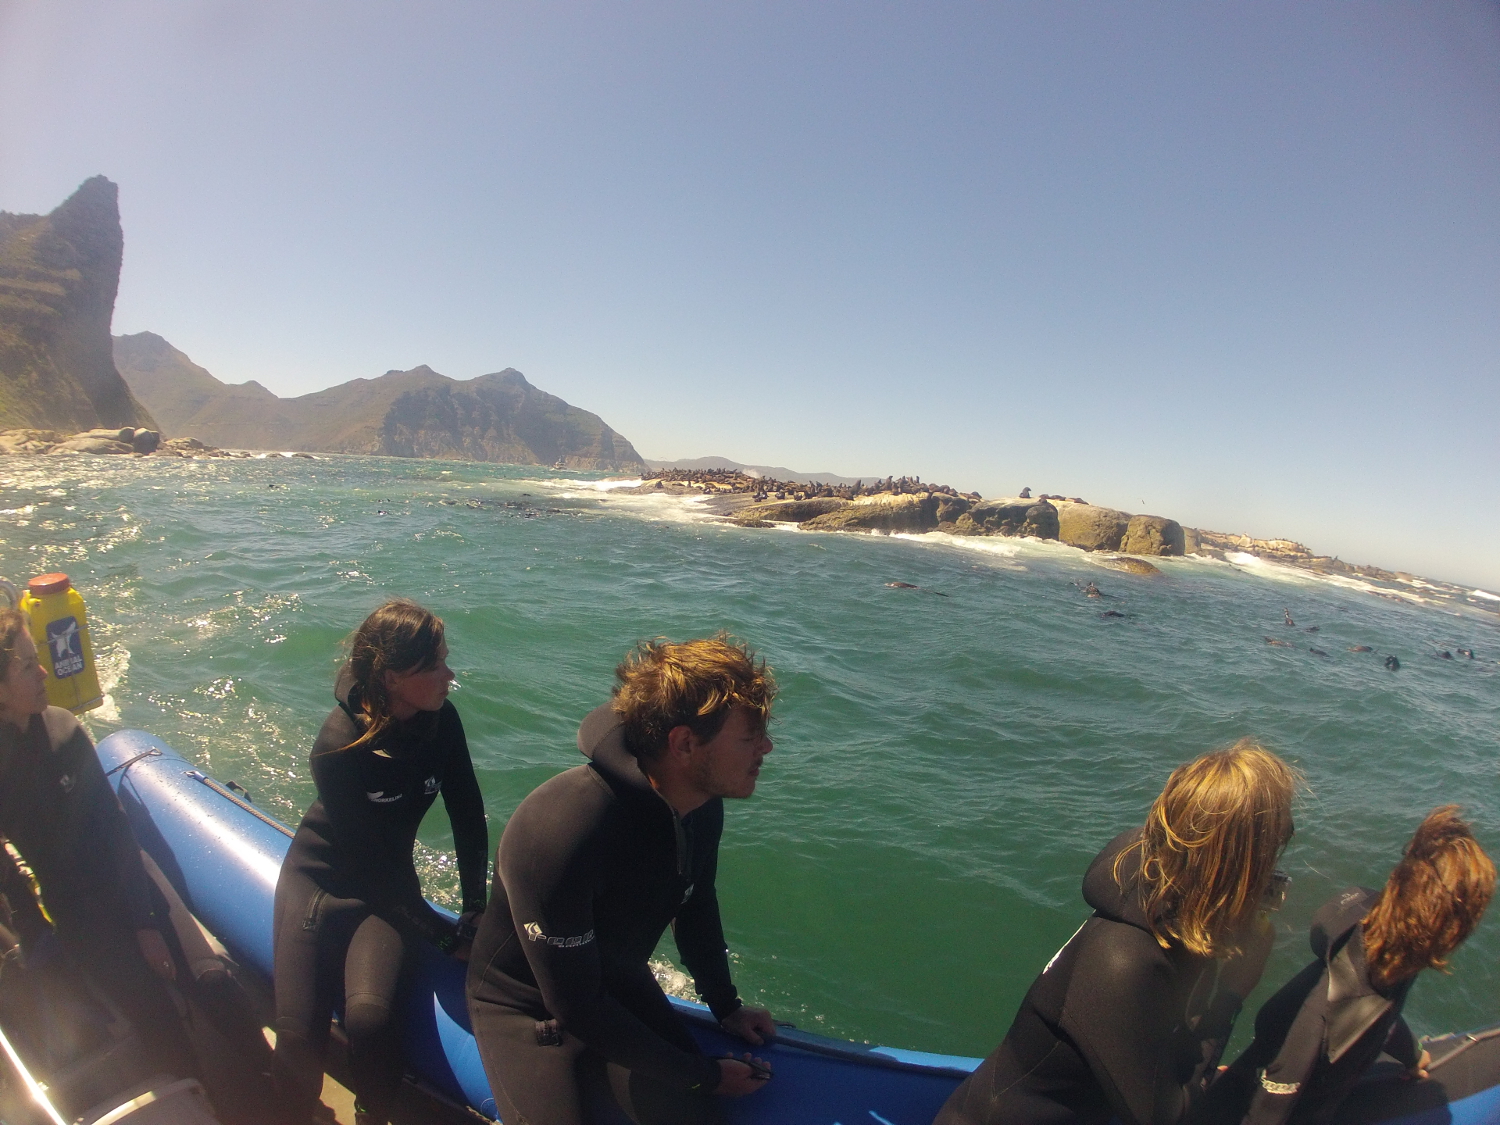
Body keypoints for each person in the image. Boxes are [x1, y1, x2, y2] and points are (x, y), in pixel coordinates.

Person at [466, 635, 778, 1125]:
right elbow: (575, 1006)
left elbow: (696, 904)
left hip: (615, 980)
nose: (766, 748)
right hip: (526, 1005)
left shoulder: (700, 806)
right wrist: (707, 1074)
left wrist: (726, 1007)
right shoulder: (561, 830)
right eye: (749, 738)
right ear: (684, 743)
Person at [935, 740, 1301, 1125]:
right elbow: (1170, 1117)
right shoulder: (1121, 962)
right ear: (1230, 866)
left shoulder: (1159, 886)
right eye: (1269, 850)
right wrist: (1232, 994)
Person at [272, 600, 488, 1125]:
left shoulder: (442, 721)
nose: (449, 674)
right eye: (434, 665)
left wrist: (474, 910)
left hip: (385, 894)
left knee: (370, 1021)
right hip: (319, 882)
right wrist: (443, 940)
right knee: (299, 1041)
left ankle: (373, 1115)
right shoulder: (338, 744)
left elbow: (467, 813)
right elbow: (367, 869)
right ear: (393, 678)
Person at [0, 607, 197, 1081]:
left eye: (37, 659)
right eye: (26, 666)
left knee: (211, 987)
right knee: (153, 1011)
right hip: (71, 913)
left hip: (123, 886)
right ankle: (195, 1092)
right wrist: (34, 930)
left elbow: (114, 828)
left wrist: (145, 923)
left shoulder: (64, 729)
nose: (43, 670)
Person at [1212, 806, 1494, 1125]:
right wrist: (1247, 1076)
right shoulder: (1328, 1013)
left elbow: (1381, 1013)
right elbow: (1266, 1114)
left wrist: (1412, 1055)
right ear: (1451, 929)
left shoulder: (1391, 939)